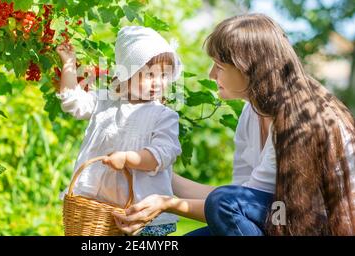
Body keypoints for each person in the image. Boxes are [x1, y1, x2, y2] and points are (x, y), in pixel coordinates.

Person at [112, 13, 355, 236]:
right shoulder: (252, 112)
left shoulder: (299, 118)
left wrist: (169, 205)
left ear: (248, 67)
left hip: (315, 226)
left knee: (223, 202)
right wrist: (160, 173)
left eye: (219, 66)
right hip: (277, 216)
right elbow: (243, 199)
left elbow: (232, 204)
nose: (211, 75)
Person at [56, 26, 183, 236]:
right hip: (96, 209)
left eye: (164, 76)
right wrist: (69, 63)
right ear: (126, 75)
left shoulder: (163, 116)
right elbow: (72, 101)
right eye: (149, 74)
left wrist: (127, 158)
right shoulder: (106, 102)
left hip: (140, 214)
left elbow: (162, 155)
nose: (158, 83)